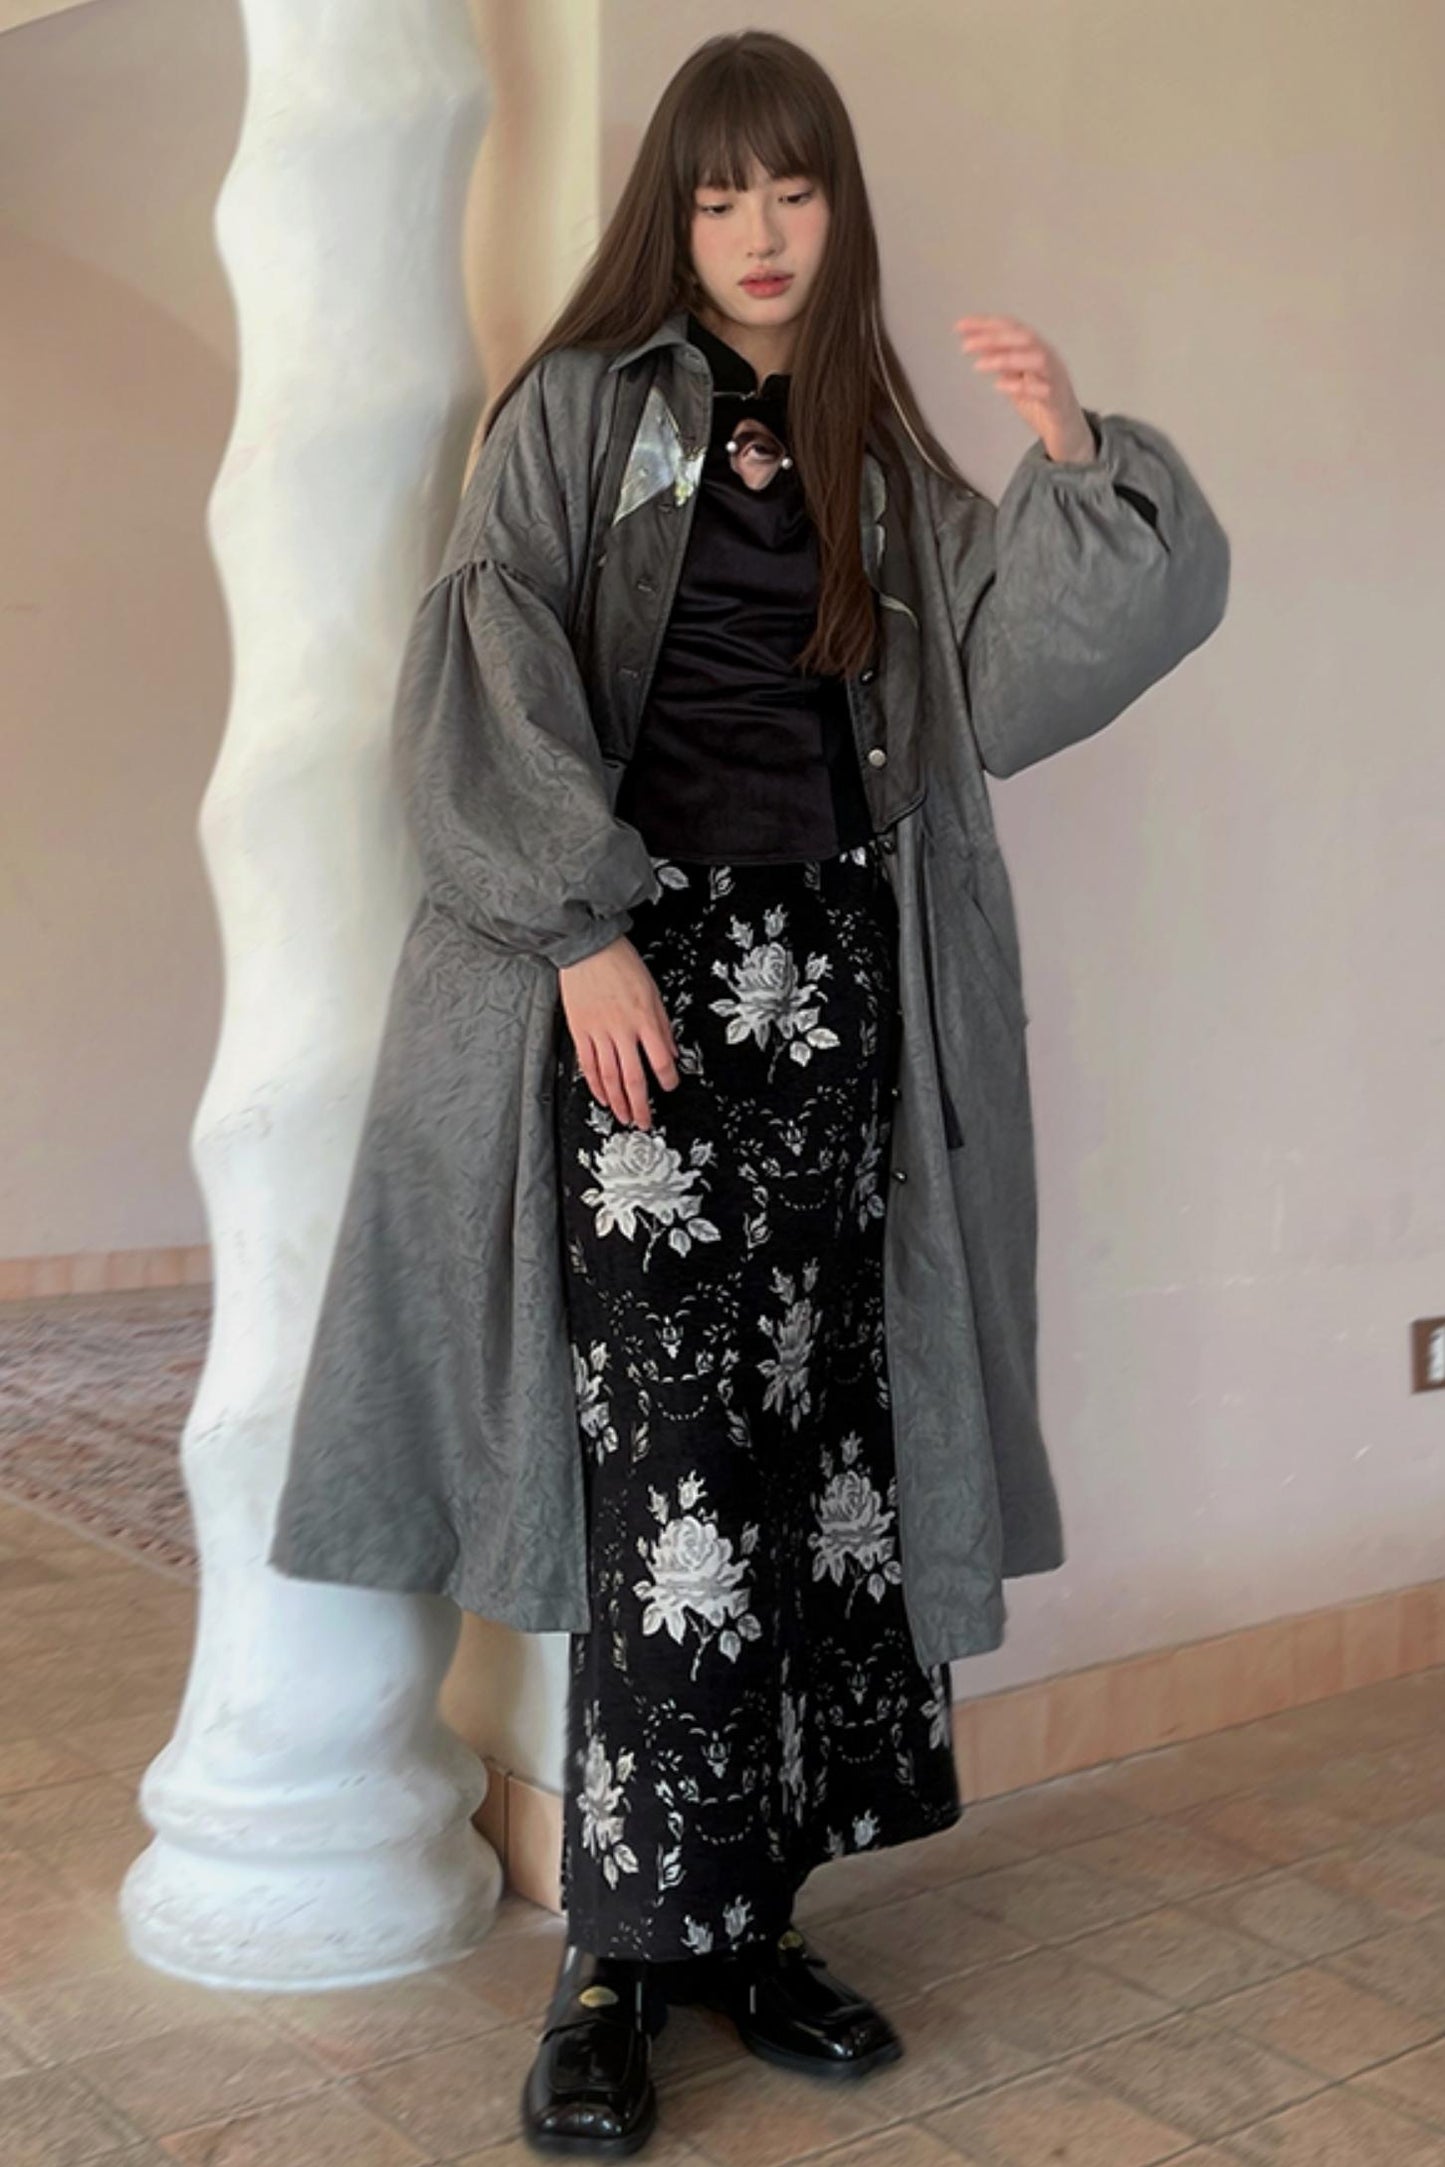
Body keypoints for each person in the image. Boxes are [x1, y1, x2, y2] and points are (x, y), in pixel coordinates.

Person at [264, 26, 1230, 2160]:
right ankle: (616, 1968)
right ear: (674, 218)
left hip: (846, 1005)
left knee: (816, 1468)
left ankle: (756, 1923)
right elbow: (490, 658)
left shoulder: (875, 440)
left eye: (792, 191)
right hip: (644, 993)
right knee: (668, 1489)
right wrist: (581, 931)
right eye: (720, 197)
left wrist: (1079, 464)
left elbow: (1006, 680)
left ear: (836, 208)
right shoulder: (579, 410)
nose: (761, 233)